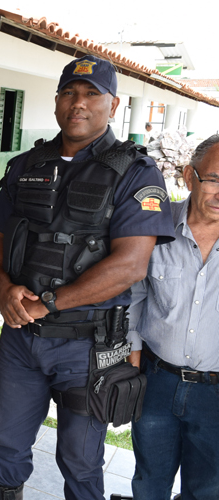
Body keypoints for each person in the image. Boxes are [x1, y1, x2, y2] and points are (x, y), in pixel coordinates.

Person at [0, 55, 175, 500]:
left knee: (80, 457)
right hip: (21, 340)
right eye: (70, 92)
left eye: (92, 94)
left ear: (113, 103)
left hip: (88, 347)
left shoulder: (137, 173)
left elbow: (131, 264)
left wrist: (49, 302)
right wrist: (5, 289)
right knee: (5, 445)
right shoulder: (25, 164)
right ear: (56, 101)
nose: (79, 103)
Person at [127, 135, 219, 500]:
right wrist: (133, 347)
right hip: (156, 382)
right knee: (149, 482)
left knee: (207, 489)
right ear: (189, 176)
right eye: (214, 179)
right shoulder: (155, 228)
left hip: (215, 393)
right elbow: (135, 291)